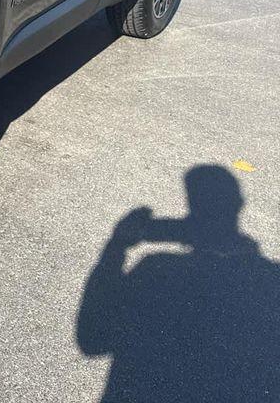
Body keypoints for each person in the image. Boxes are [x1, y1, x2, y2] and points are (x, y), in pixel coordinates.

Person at [76, 164, 280, 403]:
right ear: (239, 204)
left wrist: (115, 248)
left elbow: (93, 342)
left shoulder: (155, 267)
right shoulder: (271, 278)